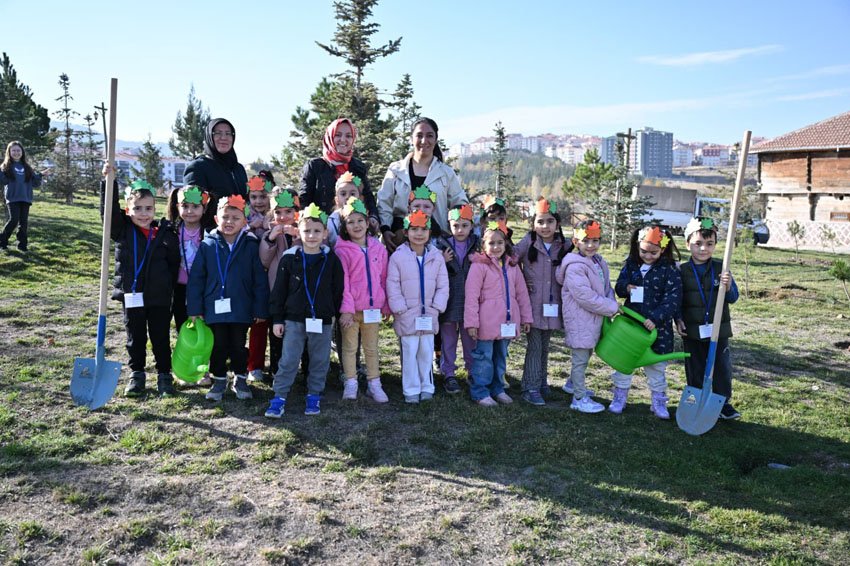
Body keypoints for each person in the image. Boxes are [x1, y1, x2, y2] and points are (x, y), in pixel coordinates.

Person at [101, 175, 180, 397]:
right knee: (135, 337)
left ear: (155, 209)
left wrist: (167, 287)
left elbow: (174, 264)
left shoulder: (165, 234)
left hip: (159, 298)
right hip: (132, 296)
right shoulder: (122, 230)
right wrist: (109, 181)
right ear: (128, 210)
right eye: (137, 208)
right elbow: (108, 211)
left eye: (148, 208)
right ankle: (137, 374)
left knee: (160, 337)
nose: (143, 213)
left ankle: (164, 375)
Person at [187, 195, 269, 402]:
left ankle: (240, 378)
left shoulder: (251, 245)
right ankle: (219, 379)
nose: (229, 222)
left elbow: (259, 280)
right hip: (214, 307)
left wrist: (260, 309)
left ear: (244, 221)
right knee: (218, 346)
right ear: (216, 219)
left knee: (238, 345)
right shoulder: (207, 245)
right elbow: (197, 278)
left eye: (235, 218)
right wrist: (195, 308)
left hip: (242, 307)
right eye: (225, 217)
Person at [265, 204, 344, 418]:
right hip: (294, 319)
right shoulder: (289, 258)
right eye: (306, 230)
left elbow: (338, 290)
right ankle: (279, 396)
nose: (311, 235)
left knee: (320, 359)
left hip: (322, 320)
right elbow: (279, 292)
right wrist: (277, 319)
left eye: (317, 231)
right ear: (298, 232)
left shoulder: (331, 260)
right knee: (289, 359)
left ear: (325, 233)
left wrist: (334, 314)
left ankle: (314, 394)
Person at [611, 226, 682, 419]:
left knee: (656, 367)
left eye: (654, 252)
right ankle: (620, 396)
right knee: (624, 362)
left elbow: (673, 299)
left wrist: (656, 318)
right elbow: (619, 287)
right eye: (644, 251)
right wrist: (626, 287)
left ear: (663, 249)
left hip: (658, 330)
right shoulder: (631, 264)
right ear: (637, 246)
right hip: (631, 325)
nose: (648, 256)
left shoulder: (669, 269)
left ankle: (658, 400)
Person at [676, 216, 741, 420]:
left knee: (721, 367)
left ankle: (722, 403)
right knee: (695, 366)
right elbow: (676, 300)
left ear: (715, 245)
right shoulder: (682, 271)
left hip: (718, 329)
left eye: (709, 243)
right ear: (687, 244)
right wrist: (678, 319)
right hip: (692, 330)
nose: (703, 248)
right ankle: (695, 399)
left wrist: (728, 286)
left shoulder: (722, 268)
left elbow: (733, 298)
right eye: (698, 243)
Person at [464, 221, 532, 407]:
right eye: (491, 243)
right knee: (484, 358)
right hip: (486, 323)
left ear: (506, 243)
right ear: (483, 245)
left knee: (501, 356)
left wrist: (526, 317)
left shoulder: (512, 266)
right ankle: (480, 391)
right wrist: (472, 323)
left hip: (507, 322)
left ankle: (498, 388)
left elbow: (522, 294)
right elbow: (471, 296)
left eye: (500, 243)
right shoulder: (479, 266)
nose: (496, 247)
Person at [556, 219, 619, 414]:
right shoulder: (575, 267)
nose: (591, 245)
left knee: (586, 353)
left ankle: (572, 384)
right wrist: (611, 307)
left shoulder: (598, 261)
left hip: (592, 319)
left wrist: (611, 300)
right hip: (580, 319)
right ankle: (578, 398)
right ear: (576, 242)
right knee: (580, 359)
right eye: (586, 241)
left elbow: (606, 287)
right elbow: (585, 297)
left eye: (595, 240)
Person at [386, 210, 449, 403]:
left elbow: (443, 284)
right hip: (407, 315)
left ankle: (427, 386)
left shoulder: (436, 257)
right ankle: (411, 389)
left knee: (426, 353)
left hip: (429, 315)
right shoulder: (398, 257)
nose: (419, 233)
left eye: (423, 229)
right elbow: (392, 284)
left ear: (430, 232)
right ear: (406, 232)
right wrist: (400, 308)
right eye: (414, 229)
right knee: (409, 352)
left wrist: (437, 306)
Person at [513, 198, 571, 405]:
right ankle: (530, 387)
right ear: (533, 224)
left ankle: (541, 382)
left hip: (553, 305)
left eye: (550, 221)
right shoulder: (528, 242)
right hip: (532, 304)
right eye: (540, 221)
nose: (545, 226)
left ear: (558, 223)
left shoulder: (565, 245)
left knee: (545, 345)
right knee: (535, 346)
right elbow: (511, 257)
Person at [377, 117, 467, 250]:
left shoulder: (446, 173)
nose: (424, 141)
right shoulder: (395, 170)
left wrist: (457, 231)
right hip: (399, 241)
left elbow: (460, 203)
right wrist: (385, 229)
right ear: (411, 138)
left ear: (436, 139)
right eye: (419, 135)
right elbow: (384, 203)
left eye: (429, 136)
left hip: (436, 244)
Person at [334, 197, 390, 403]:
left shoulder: (379, 248)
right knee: (349, 348)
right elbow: (344, 283)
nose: (356, 225)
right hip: (351, 311)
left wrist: (386, 304)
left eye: (360, 221)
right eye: (350, 222)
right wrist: (346, 310)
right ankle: (351, 382)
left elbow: (384, 277)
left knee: (372, 348)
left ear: (368, 223)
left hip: (372, 310)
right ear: (344, 226)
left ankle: (374, 384)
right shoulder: (342, 250)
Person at [433, 204, 479, 394]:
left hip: (470, 303)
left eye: (465, 225)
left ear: (472, 226)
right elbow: (432, 267)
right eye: (456, 226)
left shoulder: (477, 245)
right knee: (448, 340)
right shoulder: (440, 245)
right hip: (449, 301)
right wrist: (441, 260)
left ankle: (472, 371)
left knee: (471, 340)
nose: (460, 230)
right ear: (449, 226)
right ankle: (449, 373)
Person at [299, 118, 380, 224]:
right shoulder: (314, 166)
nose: (343, 140)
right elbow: (304, 201)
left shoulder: (358, 167)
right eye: (337, 135)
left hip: (354, 227)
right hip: (321, 228)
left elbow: (368, 197)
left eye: (348, 136)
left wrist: (373, 217)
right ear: (330, 137)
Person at [259, 188, 301, 384]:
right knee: (277, 331)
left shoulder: (306, 231)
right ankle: (276, 369)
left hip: (299, 293)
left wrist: (298, 237)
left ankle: (302, 369)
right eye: (278, 212)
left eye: (288, 212)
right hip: (277, 291)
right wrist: (270, 239)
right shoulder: (269, 234)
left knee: (299, 331)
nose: (283, 217)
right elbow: (264, 260)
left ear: (296, 212)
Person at [183, 118, 248, 230]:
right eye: (218, 133)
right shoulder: (198, 167)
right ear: (209, 137)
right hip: (210, 233)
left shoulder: (238, 169)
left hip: (239, 232)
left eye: (228, 133)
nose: (224, 138)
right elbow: (192, 207)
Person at [165, 185, 209, 335]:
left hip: (203, 288)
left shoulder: (210, 232)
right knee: (183, 326)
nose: (190, 211)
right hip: (179, 288)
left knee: (204, 327)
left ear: (204, 208)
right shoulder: (171, 231)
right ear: (177, 207)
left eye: (195, 206)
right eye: (185, 206)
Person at [245, 175, 273, 382]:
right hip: (251, 277)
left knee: (274, 323)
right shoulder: (244, 216)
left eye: (263, 196)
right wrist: (252, 227)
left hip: (274, 275)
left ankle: (277, 364)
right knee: (257, 321)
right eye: (254, 197)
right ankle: (253, 365)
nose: (259, 201)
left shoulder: (277, 215)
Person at [0, 141, 46, 252]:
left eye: (18, 150)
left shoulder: (27, 167)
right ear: (9, 152)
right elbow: (4, 181)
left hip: (25, 198)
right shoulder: (5, 166)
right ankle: (2, 242)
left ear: (22, 152)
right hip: (12, 198)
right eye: (13, 150)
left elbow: (34, 183)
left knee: (23, 223)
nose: (16, 153)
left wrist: (41, 175)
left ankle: (22, 246)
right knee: (14, 220)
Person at [326, 171, 365, 249]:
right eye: (343, 194)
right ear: (337, 200)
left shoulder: (364, 218)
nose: (348, 197)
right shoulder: (331, 221)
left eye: (352, 194)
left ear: (360, 198)